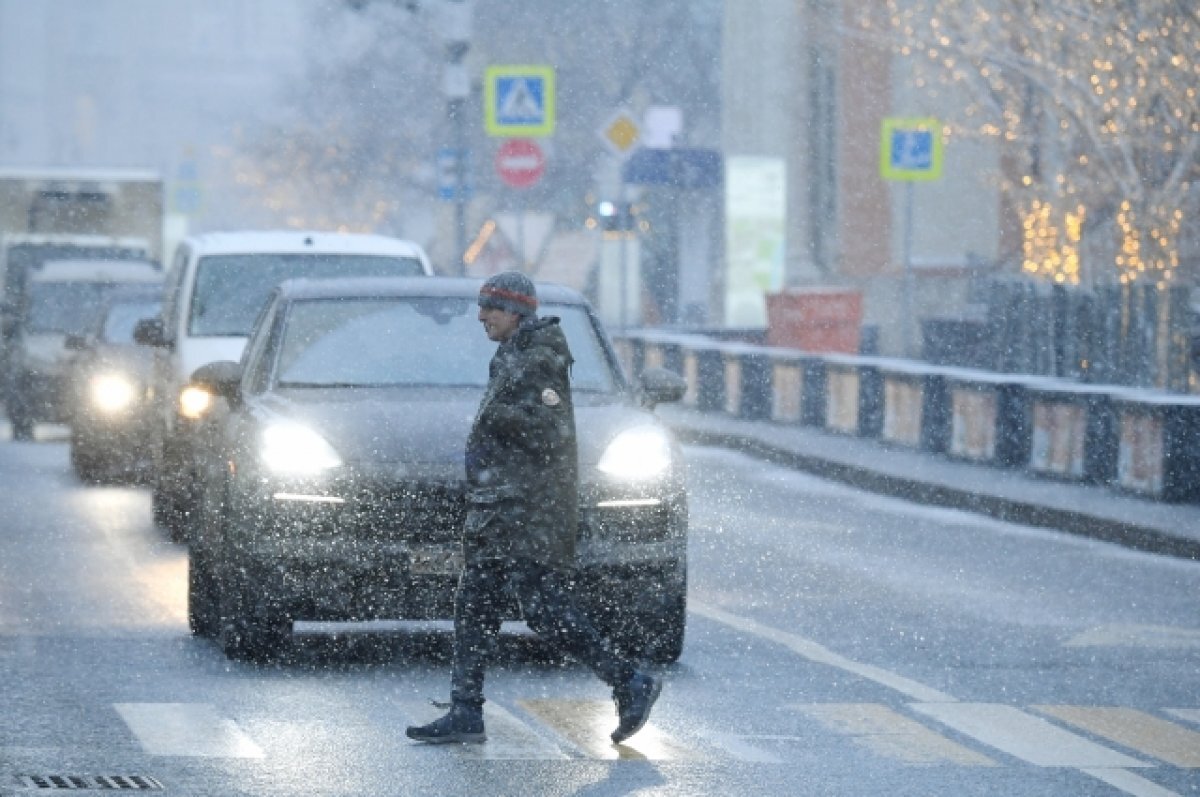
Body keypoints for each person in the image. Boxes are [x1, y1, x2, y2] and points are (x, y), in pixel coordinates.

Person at [406, 271, 661, 746]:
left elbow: (547, 436)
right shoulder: (515, 354)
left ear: (516, 312)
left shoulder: (539, 359)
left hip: (525, 513)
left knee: (542, 609)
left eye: (491, 308)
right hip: (503, 508)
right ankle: (466, 711)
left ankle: (630, 681)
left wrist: (496, 426)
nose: (481, 316)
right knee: (479, 602)